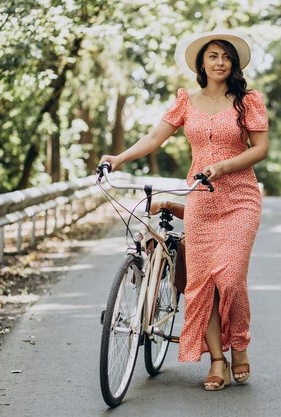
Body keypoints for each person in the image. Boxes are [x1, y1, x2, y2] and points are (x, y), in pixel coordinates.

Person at [99, 28, 268, 392]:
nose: (220, 62)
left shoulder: (247, 100)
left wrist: (223, 166)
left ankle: (239, 344)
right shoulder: (186, 101)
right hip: (202, 200)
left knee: (232, 278)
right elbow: (154, 138)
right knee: (201, 283)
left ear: (233, 64)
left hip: (240, 197)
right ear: (201, 63)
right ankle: (217, 360)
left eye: (226, 57)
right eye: (213, 56)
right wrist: (120, 157)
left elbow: (260, 149)